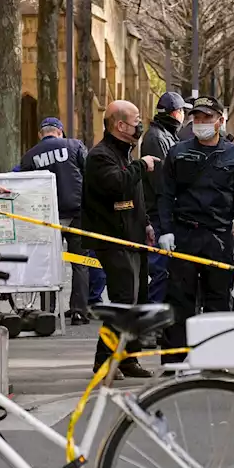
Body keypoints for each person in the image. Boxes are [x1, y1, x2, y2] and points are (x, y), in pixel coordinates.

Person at [158, 96, 234, 363]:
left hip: (218, 235)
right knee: (179, 301)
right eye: (197, 117)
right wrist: (165, 229)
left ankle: (217, 359)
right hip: (184, 234)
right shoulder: (178, 152)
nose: (201, 122)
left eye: (207, 118)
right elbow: (164, 194)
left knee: (219, 300)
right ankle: (175, 362)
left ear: (220, 120)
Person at [81, 100, 159, 378]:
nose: (140, 125)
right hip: (113, 239)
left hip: (134, 237)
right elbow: (118, 185)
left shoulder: (125, 153)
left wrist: (146, 224)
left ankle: (128, 358)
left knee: (137, 299)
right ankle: (104, 361)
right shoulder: (101, 156)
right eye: (136, 120)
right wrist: (141, 165)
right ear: (121, 125)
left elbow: (134, 199)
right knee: (123, 300)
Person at [16, 117, 90, 324]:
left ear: (41, 134)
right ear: (60, 132)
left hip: (47, 216)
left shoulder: (30, 155)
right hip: (77, 213)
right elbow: (90, 173)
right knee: (80, 262)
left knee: (46, 262)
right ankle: (78, 311)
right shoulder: (74, 146)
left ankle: (47, 312)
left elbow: (24, 186)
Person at [140, 92, 190, 305]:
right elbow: (163, 181)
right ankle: (152, 320)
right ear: (176, 113)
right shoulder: (158, 138)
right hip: (159, 214)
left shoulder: (164, 135)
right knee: (161, 272)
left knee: (166, 271)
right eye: (182, 112)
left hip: (163, 212)